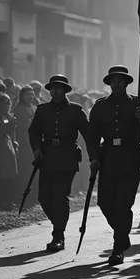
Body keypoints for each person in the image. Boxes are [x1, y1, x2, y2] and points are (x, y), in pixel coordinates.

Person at [87, 66, 140, 266]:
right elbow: (92, 136)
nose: (116, 84)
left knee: (123, 204)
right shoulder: (100, 106)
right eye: (113, 80)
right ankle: (123, 233)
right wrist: (93, 157)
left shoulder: (137, 103)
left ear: (126, 83)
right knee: (105, 203)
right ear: (109, 83)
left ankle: (118, 248)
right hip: (108, 158)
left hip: (130, 159)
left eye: (120, 80)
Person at [28, 75, 90, 252]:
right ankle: (59, 225)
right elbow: (33, 132)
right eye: (53, 88)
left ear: (65, 90)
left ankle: (58, 235)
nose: (55, 91)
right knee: (44, 198)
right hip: (47, 158)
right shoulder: (42, 110)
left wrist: (94, 155)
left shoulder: (76, 110)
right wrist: (37, 149)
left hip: (67, 158)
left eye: (59, 88)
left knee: (60, 197)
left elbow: (88, 133)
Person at [0, 93, 18, 209]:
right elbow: (1, 129)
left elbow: (11, 132)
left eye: (8, 103)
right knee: (0, 174)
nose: (7, 105)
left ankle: (8, 200)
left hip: (8, 146)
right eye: (4, 103)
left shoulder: (9, 116)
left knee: (10, 174)